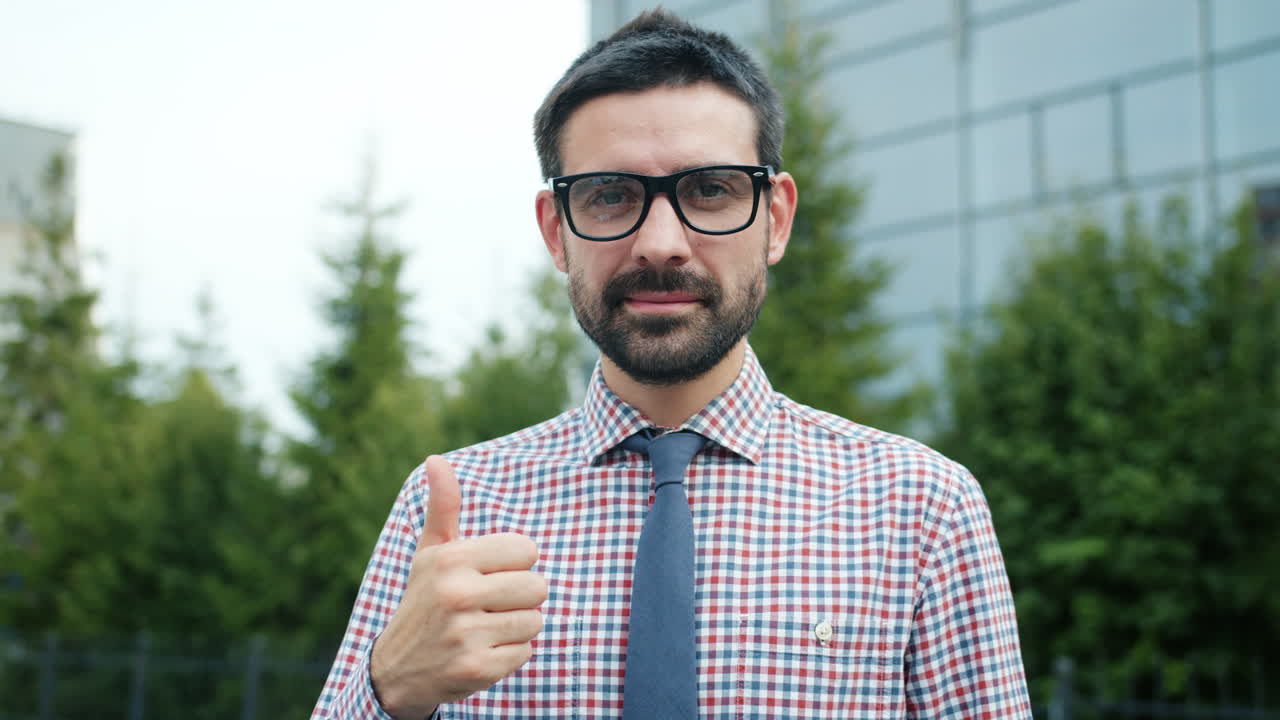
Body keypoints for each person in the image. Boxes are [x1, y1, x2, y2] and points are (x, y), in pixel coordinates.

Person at [312, 9, 1031, 719]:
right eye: (611, 195)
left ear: (775, 219)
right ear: (556, 233)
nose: (661, 243)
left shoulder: (922, 510)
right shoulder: (450, 514)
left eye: (709, 190)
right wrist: (389, 692)